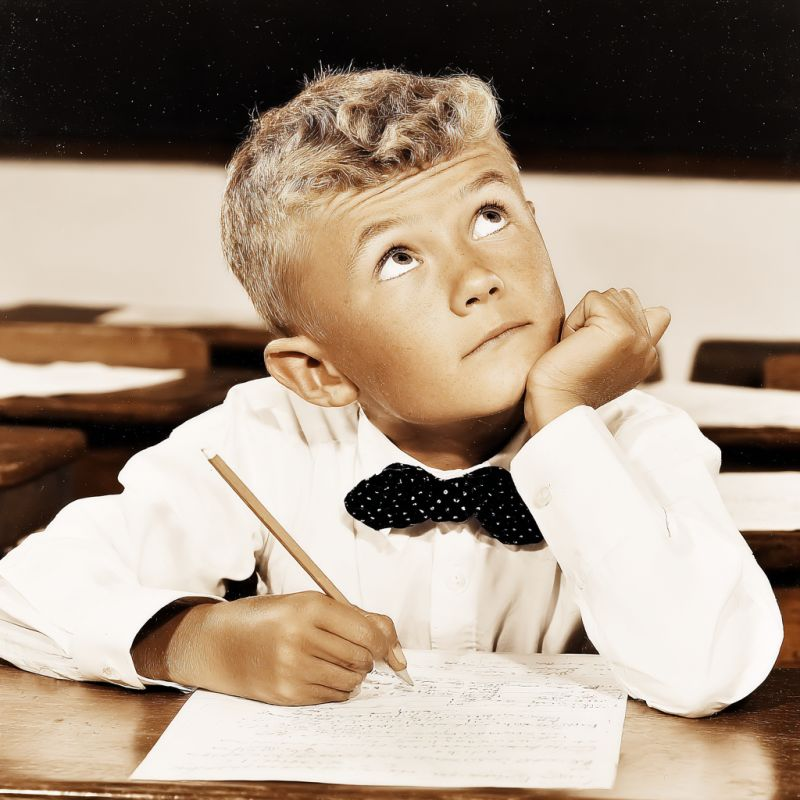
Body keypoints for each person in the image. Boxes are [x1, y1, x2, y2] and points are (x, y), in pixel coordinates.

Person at [0, 66, 782, 718]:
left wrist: (563, 416)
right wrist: (194, 641)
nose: (478, 278)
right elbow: (22, 593)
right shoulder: (260, 438)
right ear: (319, 373)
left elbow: (705, 671)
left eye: (489, 216)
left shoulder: (638, 439)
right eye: (399, 258)